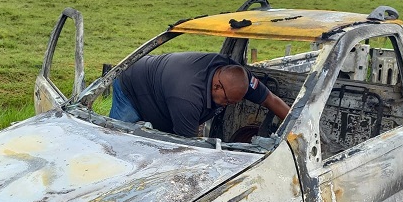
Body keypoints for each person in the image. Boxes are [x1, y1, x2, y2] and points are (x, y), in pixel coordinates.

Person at [109, 52, 290, 138]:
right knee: (118, 141)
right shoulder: (187, 96)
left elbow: (271, 100)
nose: (227, 105)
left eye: (235, 102)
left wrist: (296, 130)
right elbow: (187, 148)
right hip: (132, 85)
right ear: (217, 86)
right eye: (226, 101)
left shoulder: (237, 79)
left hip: (166, 87)